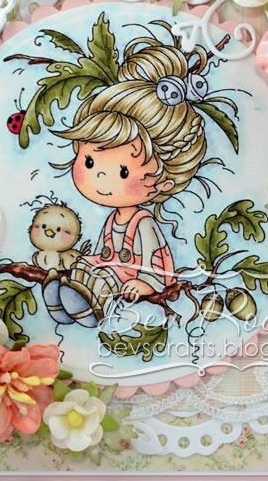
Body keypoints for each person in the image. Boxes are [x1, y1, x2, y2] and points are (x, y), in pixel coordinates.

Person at [42, 31, 213, 327]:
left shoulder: (143, 223)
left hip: (128, 276)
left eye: (123, 171)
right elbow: (102, 252)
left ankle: (88, 309)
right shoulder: (112, 219)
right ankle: (65, 304)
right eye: (90, 161)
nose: (100, 176)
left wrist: (147, 283)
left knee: (105, 278)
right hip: (112, 268)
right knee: (86, 267)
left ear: (163, 182)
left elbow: (154, 260)